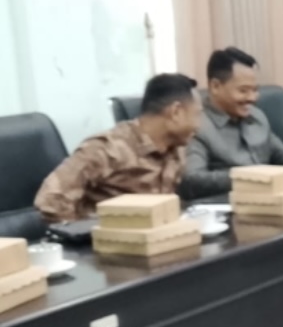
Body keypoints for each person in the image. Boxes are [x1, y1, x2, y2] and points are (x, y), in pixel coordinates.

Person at [35, 74, 201, 222]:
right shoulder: (107, 148)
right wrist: (84, 235)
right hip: (110, 242)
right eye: (197, 115)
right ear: (175, 112)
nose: (199, 126)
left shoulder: (176, 149)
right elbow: (49, 200)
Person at [180, 48, 283, 198]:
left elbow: (282, 156)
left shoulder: (256, 115)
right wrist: (248, 177)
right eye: (243, 91)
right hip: (227, 204)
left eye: (255, 90)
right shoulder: (196, 126)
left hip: (268, 199)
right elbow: (192, 181)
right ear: (215, 86)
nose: (252, 98)